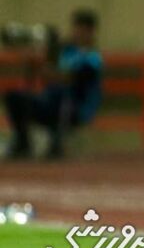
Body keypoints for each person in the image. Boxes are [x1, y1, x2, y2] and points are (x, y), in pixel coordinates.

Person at [4, 10, 102, 160]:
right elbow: (46, 74)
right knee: (15, 97)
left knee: (62, 95)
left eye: (82, 30)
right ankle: (23, 143)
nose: (77, 33)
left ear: (90, 32)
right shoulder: (65, 50)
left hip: (75, 106)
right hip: (50, 101)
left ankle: (57, 143)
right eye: (76, 28)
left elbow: (71, 79)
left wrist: (54, 73)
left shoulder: (93, 57)